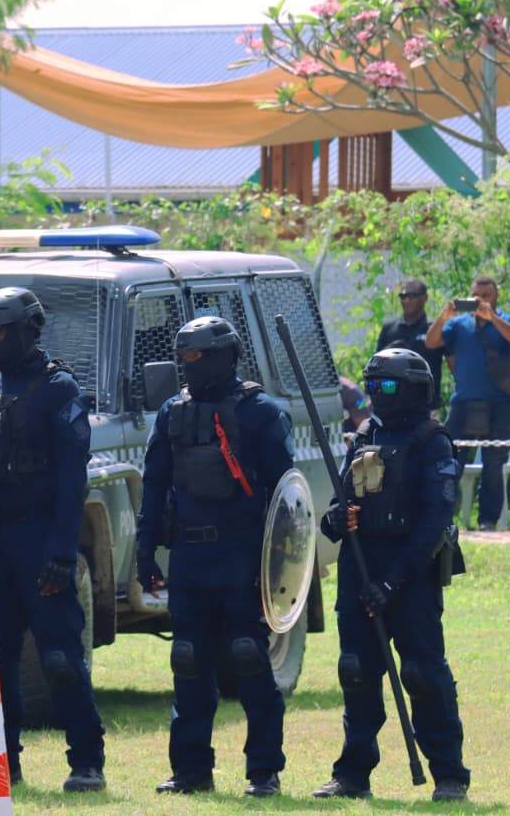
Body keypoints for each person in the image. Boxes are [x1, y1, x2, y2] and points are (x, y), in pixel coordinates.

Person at [0, 287, 106, 793]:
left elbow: (73, 479)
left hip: (41, 536)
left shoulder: (59, 388)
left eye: (2, 331)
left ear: (27, 330)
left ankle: (87, 762)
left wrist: (61, 551)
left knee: (60, 659)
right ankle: (2, 762)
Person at [135, 315, 293, 798]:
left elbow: (286, 498)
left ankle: (263, 771)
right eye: (184, 356)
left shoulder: (261, 412)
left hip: (243, 555)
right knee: (187, 659)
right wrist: (145, 549)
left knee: (248, 656)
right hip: (189, 555)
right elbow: (154, 484)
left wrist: (276, 565)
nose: (189, 365)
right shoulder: (171, 412)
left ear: (224, 356)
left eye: (198, 356)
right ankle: (190, 770)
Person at [313, 348, 469, 803]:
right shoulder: (365, 435)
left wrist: (393, 583)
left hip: (411, 572)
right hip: (360, 567)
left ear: (413, 389)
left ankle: (449, 775)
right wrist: (337, 518)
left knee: (421, 673)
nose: (376, 395)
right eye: (371, 386)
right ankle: (352, 775)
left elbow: (435, 521)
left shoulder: (432, 441)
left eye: (385, 386)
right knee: (356, 670)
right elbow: (338, 507)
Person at [424, 275, 510, 530]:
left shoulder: (507, 319)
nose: (480, 300)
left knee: (493, 465)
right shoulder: (458, 324)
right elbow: (431, 342)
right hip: (463, 402)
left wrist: (493, 318)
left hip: (500, 404)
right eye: (476, 296)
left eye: (486, 295)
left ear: (496, 297)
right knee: (449, 460)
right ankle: (443, 518)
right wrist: (444, 316)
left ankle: (487, 522)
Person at [376, 278, 445, 411]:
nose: (406, 300)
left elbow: (453, 362)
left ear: (425, 297)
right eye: (403, 296)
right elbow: (376, 365)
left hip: (427, 406)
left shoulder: (433, 330)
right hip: (393, 405)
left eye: (412, 296)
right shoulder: (389, 328)